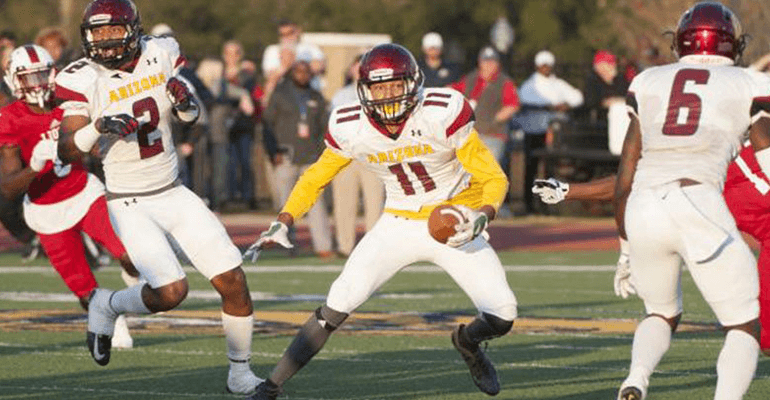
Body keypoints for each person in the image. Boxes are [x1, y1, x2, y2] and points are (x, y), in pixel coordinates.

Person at [244, 43, 517, 399]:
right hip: (398, 222)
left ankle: (467, 342)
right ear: (365, 89)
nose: (388, 95)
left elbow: (493, 177)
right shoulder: (351, 126)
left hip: (454, 221)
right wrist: (284, 219)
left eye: (395, 85)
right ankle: (270, 387)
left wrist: (483, 215)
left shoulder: (440, 112)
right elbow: (315, 177)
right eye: (379, 87)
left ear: (412, 84)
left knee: (502, 315)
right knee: (338, 303)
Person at [547, 3, 767, 399]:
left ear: (681, 42)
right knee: (744, 325)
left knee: (661, 313)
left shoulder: (648, 80)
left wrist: (625, 246)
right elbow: (766, 149)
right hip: (698, 199)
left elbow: (626, 174)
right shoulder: (750, 81)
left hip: (644, 205)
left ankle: (636, 379)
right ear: (731, 43)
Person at [54, 0, 260, 394]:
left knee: (233, 279)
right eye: (97, 32)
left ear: (133, 30)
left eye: (113, 30)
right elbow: (66, 150)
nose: (104, 40)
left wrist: (186, 104)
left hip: (174, 190)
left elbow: (189, 117)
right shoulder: (81, 77)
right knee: (171, 292)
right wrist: (98, 127)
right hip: (129, 201)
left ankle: (240, 373)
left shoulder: (160, 52)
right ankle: (108, 304)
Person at [0, 44, 139, 348]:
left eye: (41, 76)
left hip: (85, 193)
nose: (37, 85)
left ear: (53, 73)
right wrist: (34, 167)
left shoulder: (68, 101)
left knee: (130, 254)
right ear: (14, 81)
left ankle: (135, 291)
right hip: (46, 212)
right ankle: (112, 316)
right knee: (84, 290)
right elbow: (8, 188)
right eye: (28, 78)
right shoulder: (9, 118)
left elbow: (95, 145)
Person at [262, 60, 333, 258]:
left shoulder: (316, 96)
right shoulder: (280, 94)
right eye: (298, 71)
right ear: (292, 73)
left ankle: (323, 246)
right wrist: (272, 151)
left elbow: (324, 129)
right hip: (286, 155)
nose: (302, 75)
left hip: (311, 157)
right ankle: (288, 245)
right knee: (286, 206)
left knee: (317, 205)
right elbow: (267, 125)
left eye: (306, 71)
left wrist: (322, 154)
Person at [515, 50, 584, 214]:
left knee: (549, 170)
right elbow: (524, 99)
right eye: (542, 65)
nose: (545, 68)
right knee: (531, 168)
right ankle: (529, 204)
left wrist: (565, 105)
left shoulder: (557, 84)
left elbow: (577, 97)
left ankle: (548, 205)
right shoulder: (530, 85)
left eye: (548, 65)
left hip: (554, 133)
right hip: (534, 131)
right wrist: (549, 106)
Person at [329, 55, 383, 256]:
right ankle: (345, 246)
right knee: (344, 203)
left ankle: (374, 247)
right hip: (348, 155)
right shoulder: (341, 95)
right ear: (351, 69)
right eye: (357, 66)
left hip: (372, 155)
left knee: (375, 203)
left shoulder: (379, 92)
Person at [450, 45, 520, 165]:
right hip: (469, 136)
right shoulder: (470, 79)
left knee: (488, 169)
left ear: (498, 64)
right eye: (486, 61)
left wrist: (494, 121)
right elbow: (454, 91)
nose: (489, 65)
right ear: (480, 62)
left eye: (492, 61)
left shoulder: (504, 82)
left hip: (493, 136)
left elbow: (512, 105)